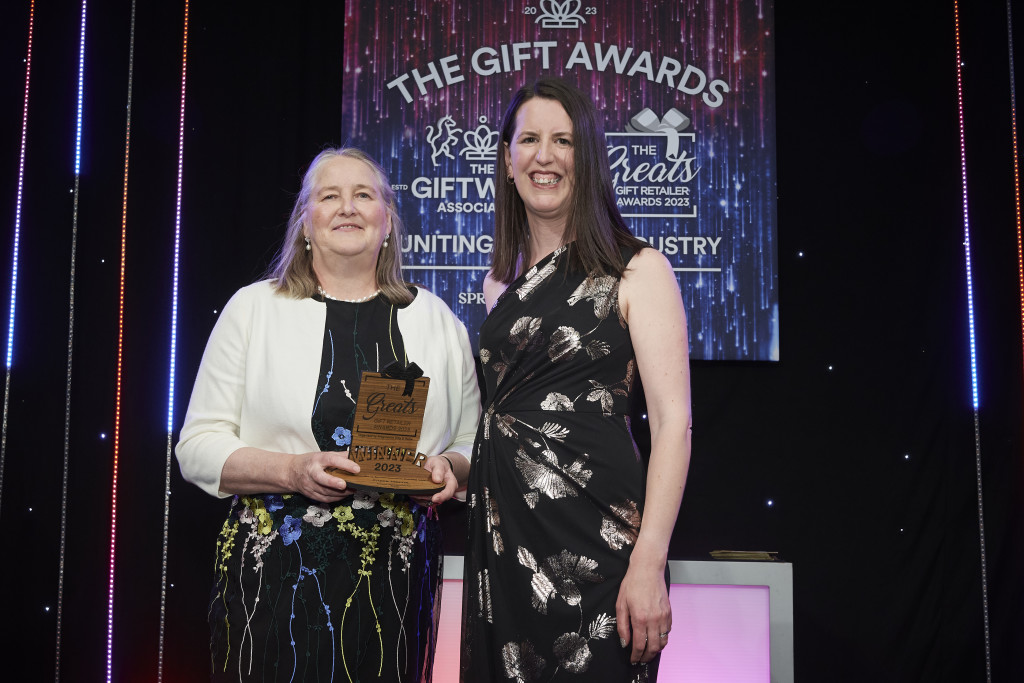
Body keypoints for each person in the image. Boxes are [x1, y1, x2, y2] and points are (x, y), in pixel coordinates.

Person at [176, 147, 480, 682]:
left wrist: (450, 469)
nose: (348, 207)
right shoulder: (253, 309)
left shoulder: (438, 320)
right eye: (329, 196)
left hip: (395, 580)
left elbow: (473, 441)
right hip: (273, 579)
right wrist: (290, 471)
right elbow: (197, 447)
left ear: (388, 221)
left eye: (364, 195)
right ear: (305, 223)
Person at [460, 77, 692, 682]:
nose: (545, 156)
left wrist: (648, 563)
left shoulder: (637, 268)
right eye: (529, 139)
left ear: (585, 158)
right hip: (505, 547)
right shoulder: (497, 288)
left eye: (563, 141)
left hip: (600, 548)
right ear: (507, 160)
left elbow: (674, 424)